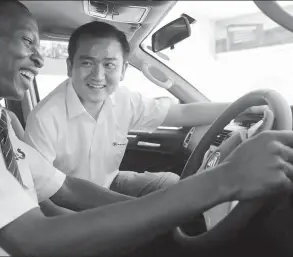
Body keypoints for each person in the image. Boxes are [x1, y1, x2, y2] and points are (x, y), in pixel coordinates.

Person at [0, 1, 293, 256]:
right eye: (28, 41)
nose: (40, 58)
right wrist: (223, 181)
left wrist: (165, 215)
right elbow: (32, 238)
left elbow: (67, 188)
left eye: (40, 45)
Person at [24, 21, 265, 197]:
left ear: (123, 70)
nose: (98, 75)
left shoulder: (124, 100)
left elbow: (181, 113)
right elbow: (41, 195)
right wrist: (121, 208)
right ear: (70, 67)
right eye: (87, 63)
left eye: (109, 64)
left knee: (174, 184)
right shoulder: (45, 118)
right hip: (66, 199)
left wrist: (245, 106)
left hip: (109, 182)